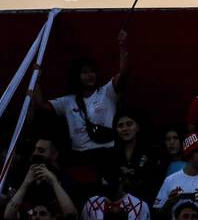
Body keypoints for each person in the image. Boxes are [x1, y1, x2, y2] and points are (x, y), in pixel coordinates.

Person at [34, 31, 129, 184]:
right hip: (80, 157)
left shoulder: (106, 92)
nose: (90, 75)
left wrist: (122, 46)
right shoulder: (67, 101)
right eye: (85, 72)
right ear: (76, 76)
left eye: (92, 71)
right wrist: (35, 80)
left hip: (107, 153)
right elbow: (40, 106)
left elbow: (123, 74)